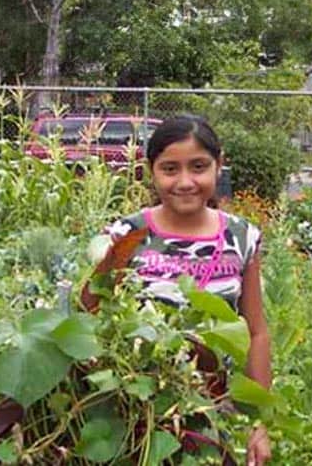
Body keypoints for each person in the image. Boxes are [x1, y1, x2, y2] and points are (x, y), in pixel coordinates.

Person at [82, 117, 272, 465]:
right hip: (137, 414)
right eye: (170, 169)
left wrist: (258, 422)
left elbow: (256, 332)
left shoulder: (242, 237)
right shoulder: (130, 233)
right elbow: (88, 311)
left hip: (215, 417)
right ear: (150, 171)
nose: (185, 182)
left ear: (219, 165)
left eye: (198, 167)